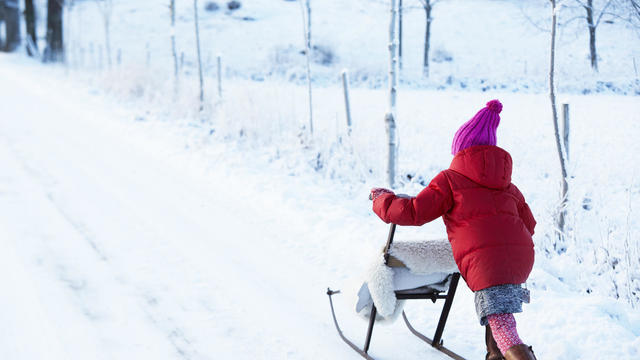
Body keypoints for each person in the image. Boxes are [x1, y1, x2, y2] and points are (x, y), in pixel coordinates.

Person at [370, 100, 537, 360]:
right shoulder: (508, 186)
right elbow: (530, 224)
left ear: (461, 149)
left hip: (488, 263)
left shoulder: (450, 179)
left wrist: (381, 199)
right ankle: (495, 356)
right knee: (499, 313)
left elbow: (413, 211)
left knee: (503, 325)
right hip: (520, 260)